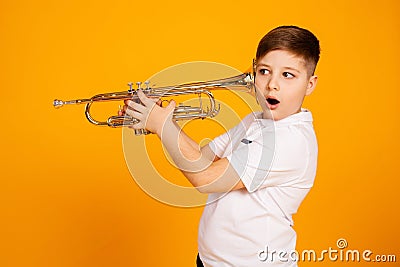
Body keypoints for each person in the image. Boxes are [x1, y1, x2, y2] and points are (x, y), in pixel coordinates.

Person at [121, 25, 320, 266]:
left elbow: (207, 179)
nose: (272, 85)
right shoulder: (255, 121)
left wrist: (163, 126)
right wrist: (161, 119)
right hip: (210, 261)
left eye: (288, 75)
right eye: (265, 71)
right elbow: (202, 159)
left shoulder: (290, 140)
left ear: (310, 84)